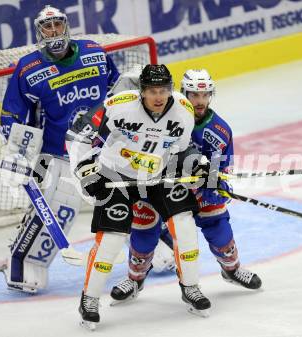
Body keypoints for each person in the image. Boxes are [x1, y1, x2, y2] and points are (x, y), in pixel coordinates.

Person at [66, 64, 211, 330]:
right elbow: (77, 136)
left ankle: (190, 287)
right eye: (153, 91)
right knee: (111, 239)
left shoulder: (183, 110)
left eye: (164, 90)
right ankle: (89, 299)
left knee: (184, 223)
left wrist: (196, 161)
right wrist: (86, 171)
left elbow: (182, 149)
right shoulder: (117, 105)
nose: (159, 97)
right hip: (116, 175)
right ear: (141, 91)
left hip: (158, 175)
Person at [110, 69, 262, 305]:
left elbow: (221, 166)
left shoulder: (219, 130)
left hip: (197, 190)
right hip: (158, 186)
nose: (200, 101)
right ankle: (135, 279)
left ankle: (231, 270)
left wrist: (214, 183)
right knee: (143, 233)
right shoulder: (169, 115)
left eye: (205, 95)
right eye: (194, 95)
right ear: (183, 93)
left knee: (219, 229)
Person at [0, 5, 120, 293]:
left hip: (103, 148)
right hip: (58, 153)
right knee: (61, 212)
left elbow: (117, 90)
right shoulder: (29, 68)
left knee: (128, 199)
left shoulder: (93, 51)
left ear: (66, 26)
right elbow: (12, 114)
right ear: (39, 32)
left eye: (57, 24)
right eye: (47, 27)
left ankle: (155, 250)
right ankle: (25, 263)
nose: (53, 31)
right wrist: (18, 149)